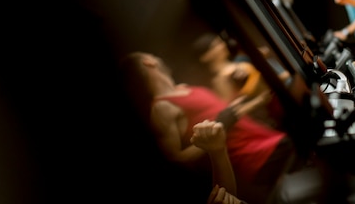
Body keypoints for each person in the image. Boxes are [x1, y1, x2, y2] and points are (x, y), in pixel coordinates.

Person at [120, 52, 295, 204]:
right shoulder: (161, 108)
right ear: (148, 62)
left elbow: (224, 113)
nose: (155, 58)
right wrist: (214, 137)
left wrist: (257, 99)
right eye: (151, 56)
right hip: (256, 157)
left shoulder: (185, 88)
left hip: (270, 139)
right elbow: (176, 160)